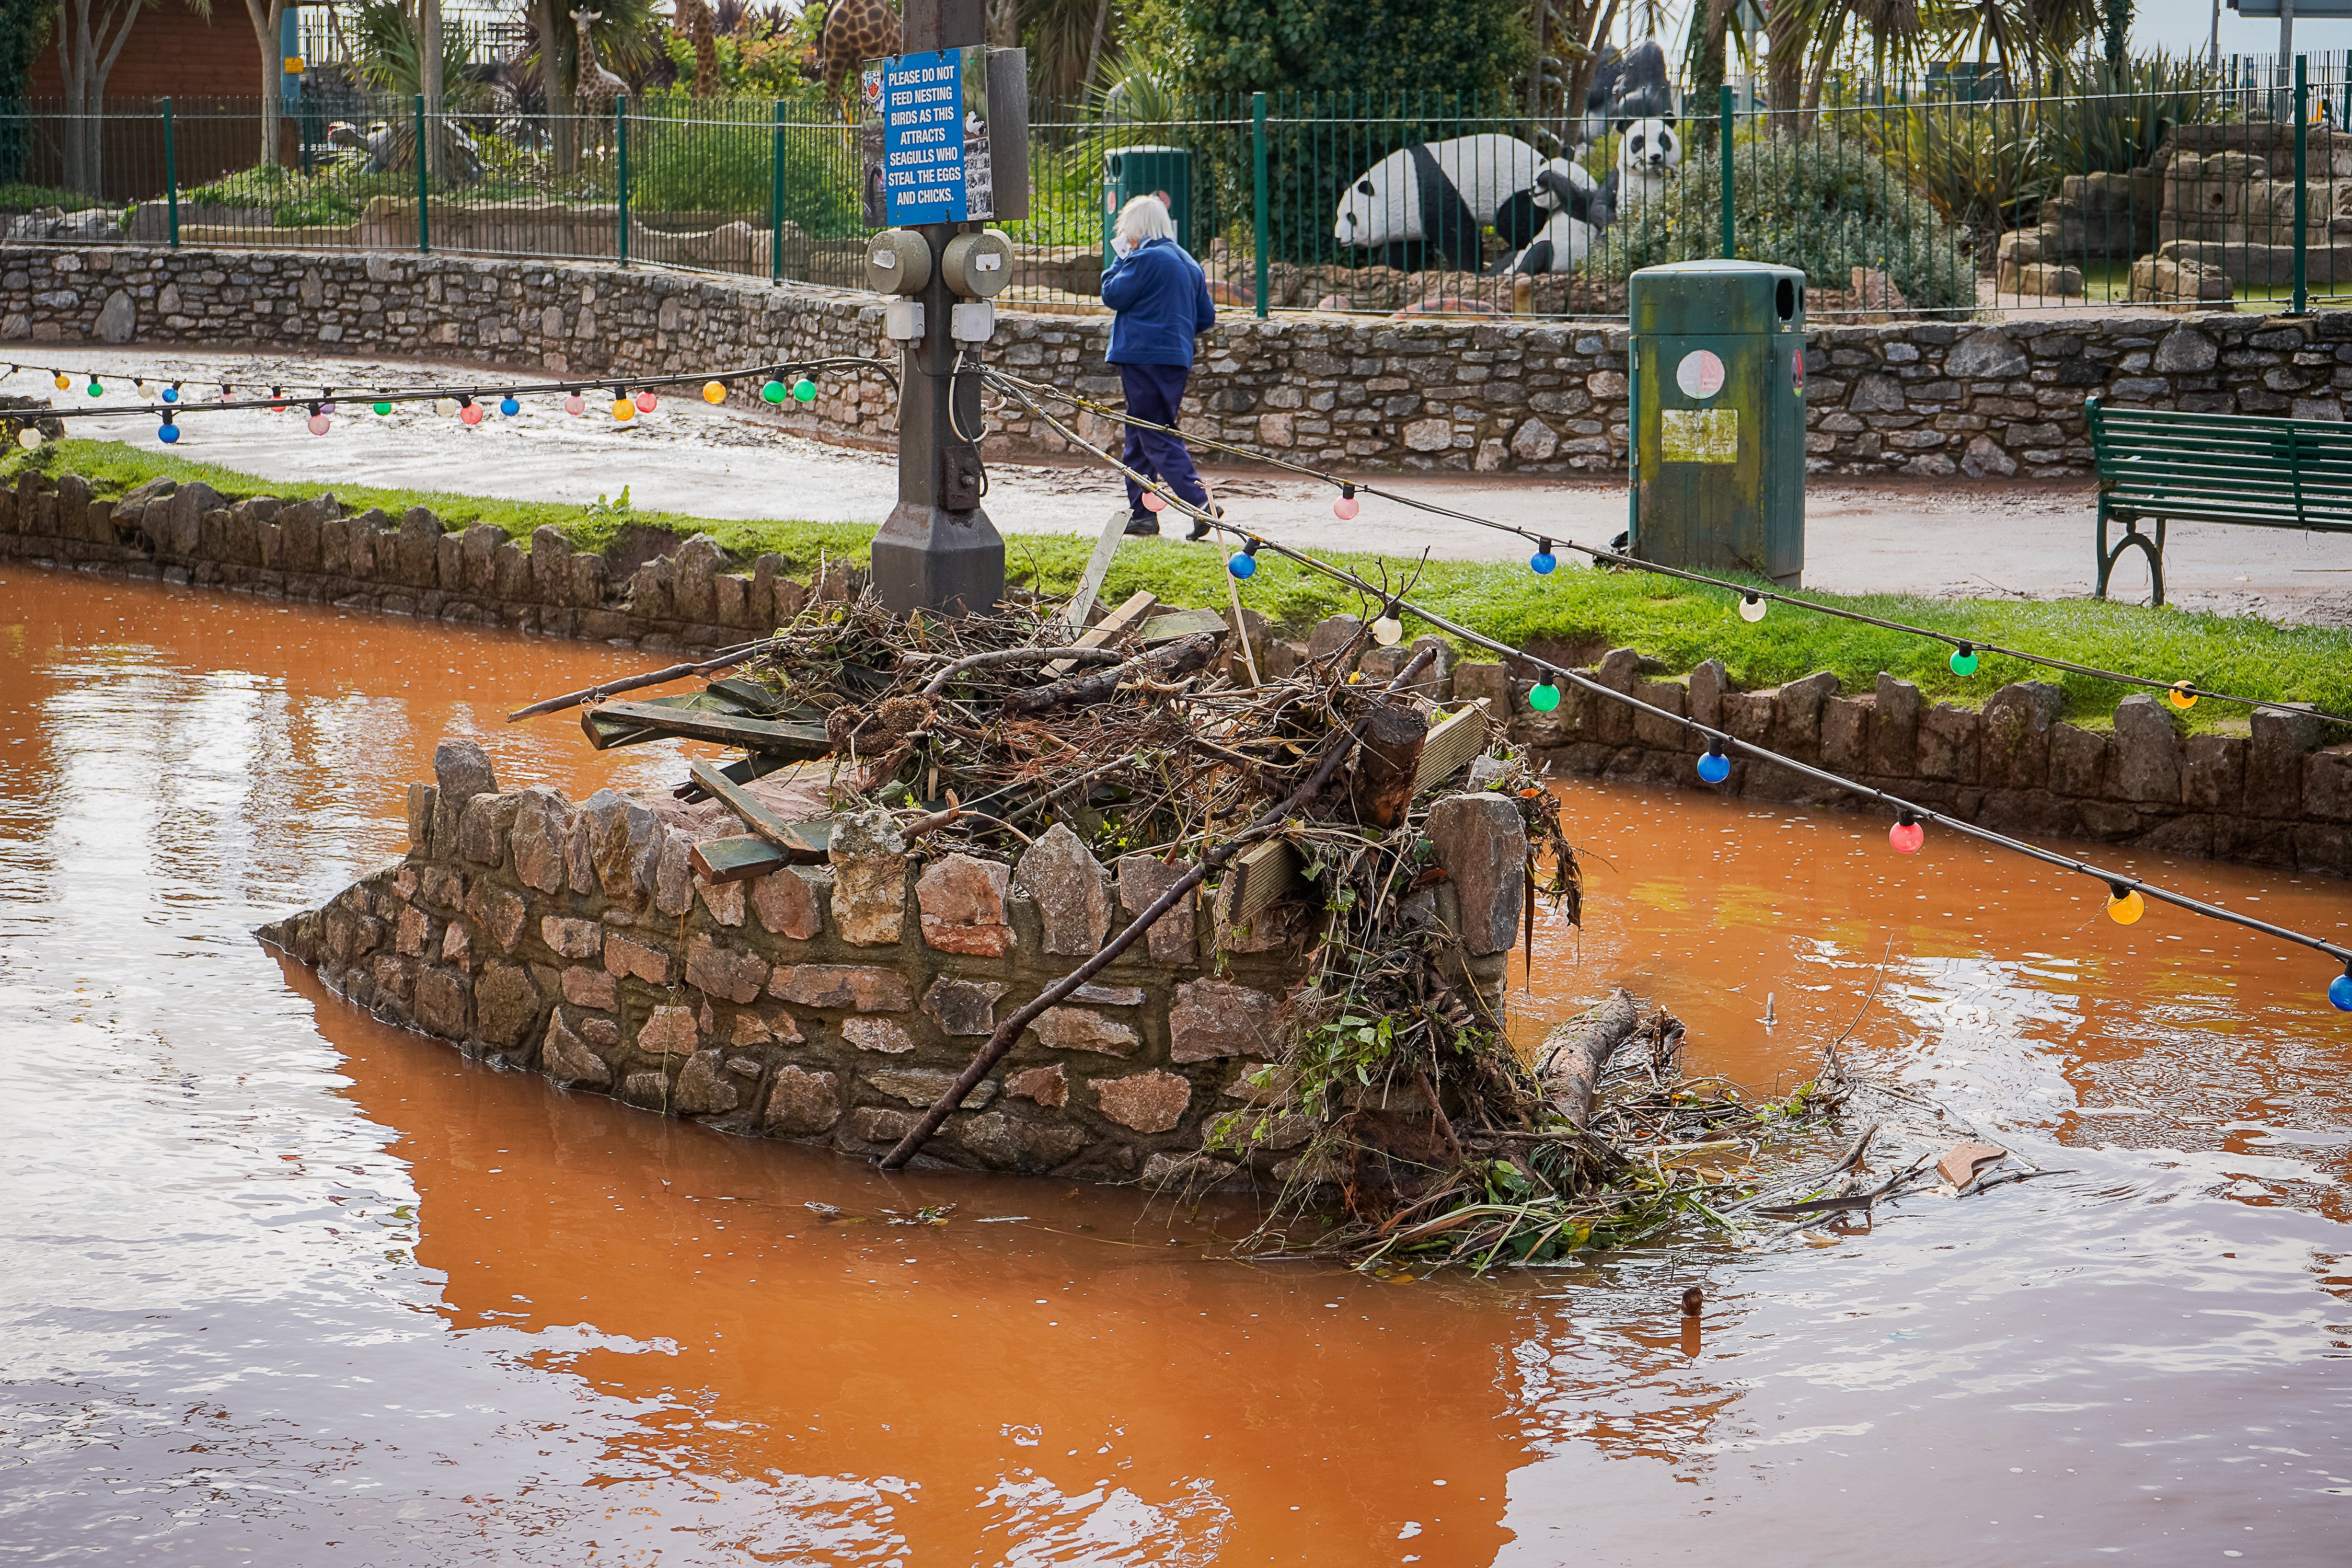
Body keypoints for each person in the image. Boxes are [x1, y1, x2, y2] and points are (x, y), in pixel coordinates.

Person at [1100, 193, 1218, 538]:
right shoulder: (1188, 262)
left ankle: (1202, 505)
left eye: (1127, 230)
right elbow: (1206, 317)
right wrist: (1175, 332)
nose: (1127, 236)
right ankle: (1142, 515)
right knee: (1139, 435)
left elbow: (1112, 294)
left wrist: (1120, 257)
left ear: (1136, 228)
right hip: (1175, 357)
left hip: (1141, 355)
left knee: (1154, 434)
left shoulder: (1145, 258)